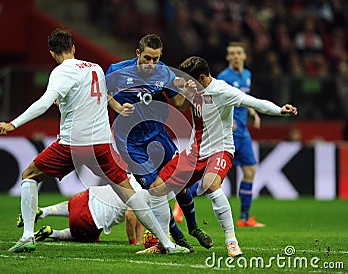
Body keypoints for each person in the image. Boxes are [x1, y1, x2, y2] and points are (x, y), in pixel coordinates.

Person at [0, 28, 189, 254]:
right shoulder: (94, 68)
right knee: (128, 193)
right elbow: (103, 95)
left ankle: (27, 236)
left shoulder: (60, 72)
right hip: (102, 145)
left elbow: (44, 103)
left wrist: (13, 124)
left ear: (52, 54)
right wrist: (114, 107)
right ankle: (167, 242)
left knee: (30, 175)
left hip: (73, 145)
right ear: (73, 49)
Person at [148, 56, 298, 257]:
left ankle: (231, 241)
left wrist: (280, 110)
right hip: (195, 151)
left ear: (202, 78)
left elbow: (253, 102)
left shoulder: (222, 91)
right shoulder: (194, 88)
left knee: (211, 184)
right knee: (157, 188)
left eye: (191, 82)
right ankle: (164, 242)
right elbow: (182, 104)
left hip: (220, 149)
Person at [105, 34, 213, 252]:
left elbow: (179, 104)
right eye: (147, 58)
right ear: (138, 53)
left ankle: (193, 228)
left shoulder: (164, 72)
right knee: (156, 191)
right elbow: (104, 93)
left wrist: (185, 91)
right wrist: (118, 108)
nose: (151, 64)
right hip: (132, 144)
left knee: (180, 184)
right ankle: (177, 237)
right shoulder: (117, 70)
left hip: (158, 135)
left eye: (155, 59)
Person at [217, 42, 265, 227]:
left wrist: (253, 112)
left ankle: (244, 218)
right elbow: (217, 101)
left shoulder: (247, 75)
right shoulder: (223, 77)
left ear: (245, 56)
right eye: (232, 53)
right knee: (212, 176)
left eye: (239, 53)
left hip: (243, 132)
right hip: (229, 131)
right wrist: (227, 121)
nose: (235, 56)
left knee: (250, 170)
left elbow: (244, 99)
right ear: (228, 57)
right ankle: (181, 207)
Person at [17, 179, 146, 245]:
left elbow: (140, 214)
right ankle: (53, 233)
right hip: (88, 220)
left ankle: (45, 211)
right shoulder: (144, 191)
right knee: (87, 235)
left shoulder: (133, 177)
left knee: (75, 207)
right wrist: (134, 242)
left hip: (81, 198)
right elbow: (130, 215)